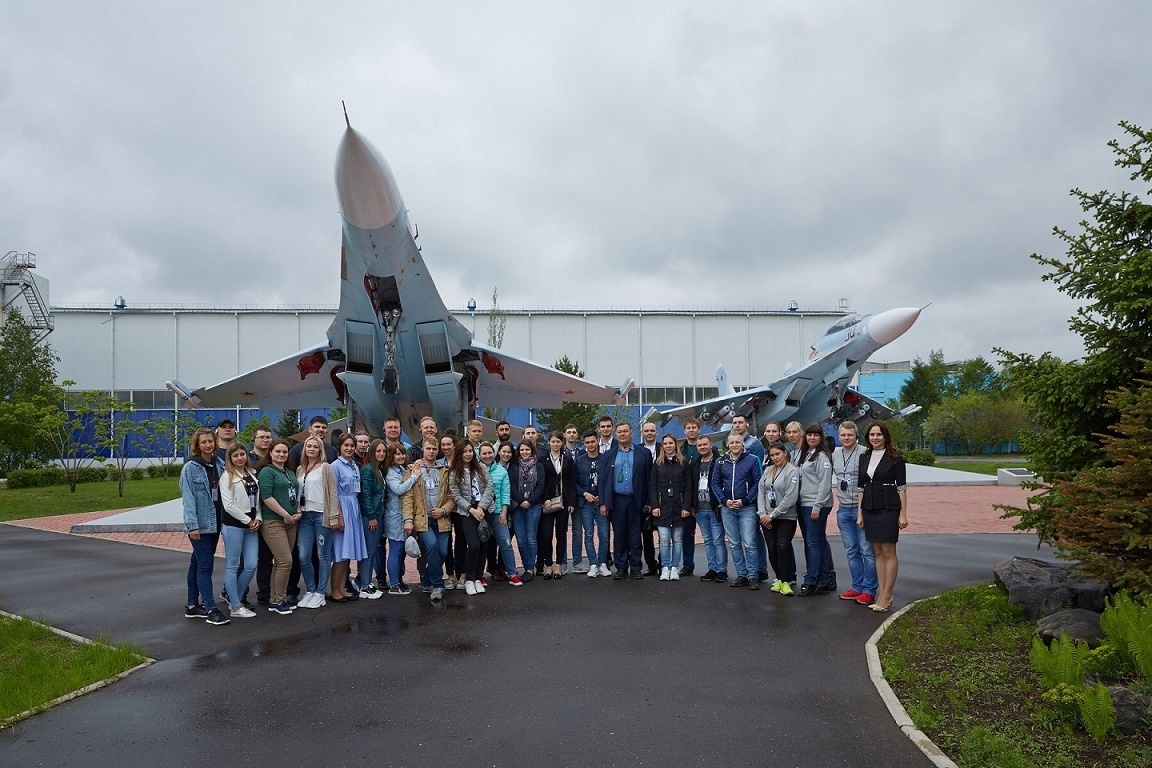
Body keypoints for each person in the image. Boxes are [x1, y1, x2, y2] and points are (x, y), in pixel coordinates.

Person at [858, 421, 908, 613]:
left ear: (885, 436)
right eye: (872, 435)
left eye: (879, 435)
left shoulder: (895, 457)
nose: (875, 438)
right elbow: (860, 487)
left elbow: (902, 487)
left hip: (888, 507)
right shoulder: (864, 457)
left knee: (888, 551)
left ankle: (887, 595)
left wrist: (903, 513)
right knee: (877, 551)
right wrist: (860, 513)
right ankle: (882, 593)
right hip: (869, 507)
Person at [181, 428, 229, 625]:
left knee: (196, 563)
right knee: (205, 566)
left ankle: (192, 606)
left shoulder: (219, 464)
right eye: (204, 442)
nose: (208, 445)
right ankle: (211, 608)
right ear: (197, 445)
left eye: (210, 441)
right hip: (200, 526)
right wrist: (193, 526)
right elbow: (188, 499)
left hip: (216, 523)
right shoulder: (191, 468)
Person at [401, 437, 456, 602]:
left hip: (442, 518)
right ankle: (438, 585)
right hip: (423, 519)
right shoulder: (414, 470)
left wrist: (444, 510)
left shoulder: (445, 471)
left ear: (437, 450)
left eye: (434, 449)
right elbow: (407, 497)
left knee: (444, 552)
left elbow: (453, 497)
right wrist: (408, 519)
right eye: (428, 449)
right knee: (431, 546)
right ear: (423, 450)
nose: (431, 451)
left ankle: (426, 581)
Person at [599, 422, 652, 580]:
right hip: (617, 501)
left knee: (635, 535)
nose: (622, 434)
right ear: (616, 435)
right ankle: (621, 567)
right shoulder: (609, 454)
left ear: (631, 433)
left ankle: (636, 567)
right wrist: (603, 503)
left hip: (636, 501)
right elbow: (603, 480)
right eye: (619, 432)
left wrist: (649, 502)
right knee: (619, 535)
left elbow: (650, 480)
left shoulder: (643, 453)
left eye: (625, 431)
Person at [832, 421, 876, 606]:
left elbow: (870, 483)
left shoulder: (866, 453)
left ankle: (869, 590)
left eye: (850, 435)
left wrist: (863, 511)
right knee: (851, 551)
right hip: (843, 508)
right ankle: (857, 587)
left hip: (861, 508)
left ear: (856, 435)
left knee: (867, 551)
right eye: (843, 435)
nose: (846, 438)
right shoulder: (835, 454)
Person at [712, 433, 763, 590]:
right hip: (728, 508)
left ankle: (753, 575)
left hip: (746, 507)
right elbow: (715, 483)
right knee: (734, 543)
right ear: (728, 444)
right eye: (732, 442)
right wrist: (724, 500)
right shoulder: (720, 462)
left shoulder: (753, 460)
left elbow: (757, 482)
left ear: (743, 444)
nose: (734, 445)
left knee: (749, 543)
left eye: (737, 442)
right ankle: (742, 574)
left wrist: (745, 500)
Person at [257, 438, 301, 615]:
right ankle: (281, 599)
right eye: (278, 451)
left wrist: (297, 511)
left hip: (291, 521)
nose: (282, 454)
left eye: (284, 452)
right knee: (285, 561)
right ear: (270, 453)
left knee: (280, 563)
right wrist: (285, 515)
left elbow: (295, 493)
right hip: (274, 521)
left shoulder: (289, 472)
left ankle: (275, 600)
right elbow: (267, 497)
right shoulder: (267, 471)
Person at [295, 435, 339, 609]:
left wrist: (334, 516)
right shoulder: (300, 469)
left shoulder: (326, 468)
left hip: (322, 515)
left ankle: (320, 592)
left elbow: (333, 492)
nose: (311, 449)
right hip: (304, 516)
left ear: (320, 449)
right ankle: (310, 590)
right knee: (304, 555)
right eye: (309, 446)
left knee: (323, 555)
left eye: (315, 446)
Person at [219, 443, 261, 619]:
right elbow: (228, 505)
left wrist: (258, 517)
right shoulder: (227, 477)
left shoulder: (252, 474)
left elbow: (257, 501)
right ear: (230, 458)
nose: (240, 458)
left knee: (251, 565)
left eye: (242, 454)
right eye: (235, 455)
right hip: (234, 526)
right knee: (233, 565)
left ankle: (234, 597)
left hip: (252, 525)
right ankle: (236, 606)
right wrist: (248, 520)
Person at [447, 441, 495, 595]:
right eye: (464, 451)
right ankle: (468, 579)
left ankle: (478, 578)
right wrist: (471, 509)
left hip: (485, 509)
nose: (468, 454)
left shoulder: (481, 468)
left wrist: (481, 507)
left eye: (470, 451)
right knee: (473, 545)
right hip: (467, 512)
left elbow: (490, 487)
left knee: (483, 545)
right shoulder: (454, 471)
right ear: (459, 453)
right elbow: (455, 494)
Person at [796, 424, 834, 597]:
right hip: (805, 503)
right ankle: (824, 579)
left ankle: (811, 580)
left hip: (816, 505)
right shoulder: (806, 454)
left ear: (821, 438)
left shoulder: (822, 457)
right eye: (809, 435)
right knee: (817, 541)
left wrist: (817, 506)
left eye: (815, 435)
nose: (812, 438)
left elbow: (825, 485)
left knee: (813, 543)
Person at [329, 434, 367, 603]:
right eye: (346, 445)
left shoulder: (354, 465)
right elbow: (334, 492)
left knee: (347, 552)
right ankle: (334, 590)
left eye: (352, 445)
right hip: (342, 507)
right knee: (339, 553)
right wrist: (339, 516)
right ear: (340, 447)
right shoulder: (335, 466)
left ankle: (342, 587)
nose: (350, 448)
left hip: (353, 508)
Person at [758, 442, 799, 596]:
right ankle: (779, 579)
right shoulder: (768, 470)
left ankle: (787, 580)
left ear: (785, 453)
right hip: (767, 517)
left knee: (783, 546)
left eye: (778, 454)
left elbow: (791, 497)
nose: (775, 457)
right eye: (772, 455)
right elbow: (761, 492)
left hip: (785, 517)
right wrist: (762, 514)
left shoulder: (792, 471)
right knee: (772, 547)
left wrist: (772, 515)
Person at [480, 441, 521, 586]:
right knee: (481, 546)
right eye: (484, 453)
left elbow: (505, 493)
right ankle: (479, 575)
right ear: (479, 455)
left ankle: (511, 573)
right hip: (480, 514)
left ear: (494, 453)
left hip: (498, 513)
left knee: (506, 543)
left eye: (489, 453)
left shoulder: (501, 471)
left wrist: (504, 513)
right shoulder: (475, 470)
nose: (487, 456)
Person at [650, 434, 691, 581]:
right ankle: (665, 568)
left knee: (678, 539)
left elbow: (688, 487)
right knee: (664, 539)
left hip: (679, 508)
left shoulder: (683, 463)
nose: (668, 446)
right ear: (662, 446)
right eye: (665, 443)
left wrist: (686, 506)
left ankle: (674, 568)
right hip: (662, 508)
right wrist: (655, 505)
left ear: (675, 445)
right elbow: (652, 486)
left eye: (670, 443)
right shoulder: (658, 464)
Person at [689, 433, 727, 583]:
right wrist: (692, 505)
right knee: (708, 540)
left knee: (718, 540)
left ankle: (722, 570)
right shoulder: (694, 465)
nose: (702, 447)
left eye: (705, 444)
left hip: (714, 508)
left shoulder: (720, 462)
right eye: (699, 445)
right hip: (700, 509)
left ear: (711, 445)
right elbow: (691, 486)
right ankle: (712, 568)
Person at [381, 443, 419, 594]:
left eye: (402, 453)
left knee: (401, 552)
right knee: (396, 551)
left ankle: (398, 580)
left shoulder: (401, 469)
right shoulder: (391, 472)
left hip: (403, 514)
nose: (401, 456)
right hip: (394, 516)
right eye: (397, 454)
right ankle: (394, 585)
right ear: (391, 456)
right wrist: (414, 477)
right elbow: (398, 489)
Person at [539, 432, 576, 580]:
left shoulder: (567, 459)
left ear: (562, 443)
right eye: (553, 441)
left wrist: (572, 502)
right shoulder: (542, 460)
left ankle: (559, 565)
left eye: (558, 441)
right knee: (547, 535)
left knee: (561, 535)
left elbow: (572, 481)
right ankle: (548, 564)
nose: (555, 444)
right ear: (549, 442)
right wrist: (545, 498)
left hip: (563, 501)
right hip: (548, 501)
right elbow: (540, 482)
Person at [575, 431, 610, 578]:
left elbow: (609, 481)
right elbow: (574, 482)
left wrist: (602, 499)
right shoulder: (579, 460)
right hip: (585, 504)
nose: (590, 445)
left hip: (600, 504)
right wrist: (584, 493)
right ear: (584, 444)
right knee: (588, 535)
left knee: (604, 535)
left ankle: (603, 564)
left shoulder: (605, 459)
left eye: (592, 441)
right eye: (587, 442)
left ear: (597, 441)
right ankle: (593, 564)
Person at [355, 439, 388, 599]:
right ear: (372, 452)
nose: (381, 454)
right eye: (378, 451)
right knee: (369, 551)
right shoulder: (368, 470)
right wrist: (372, 517)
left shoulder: (378, 469)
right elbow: (366, 495)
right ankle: (364, 587)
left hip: (377, 514)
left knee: (372, 549)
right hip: (371, 516)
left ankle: (365, 582)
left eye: (383, 451)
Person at [508, 441, 544, 582]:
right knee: (521, 540)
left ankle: (530, 569)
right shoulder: (514, 466)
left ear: (532, 451)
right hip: (517, 507)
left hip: (533, 506)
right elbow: (511, 485)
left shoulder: (539, 466)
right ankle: (525, 566)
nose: (524, 452)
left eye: (527, 450)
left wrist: (530, 501)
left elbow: (541, 485)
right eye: (522, 450)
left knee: (531, 538)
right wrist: (521, 500)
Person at [678, 418, 704, 576]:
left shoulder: (707, 447)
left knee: (712, 536)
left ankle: (717, 568)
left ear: (699, 430)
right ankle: (688, 565)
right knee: (686, 534)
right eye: (688, 428)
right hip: (686, 499)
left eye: (694, 427)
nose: (691, 430)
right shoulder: (681, 450)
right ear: (684, 431)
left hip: (704, 498)